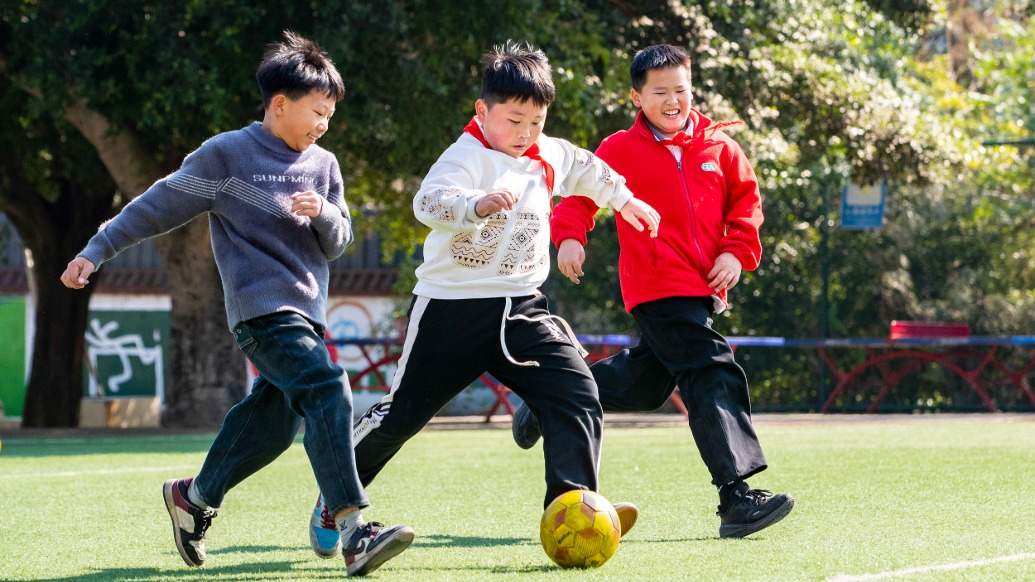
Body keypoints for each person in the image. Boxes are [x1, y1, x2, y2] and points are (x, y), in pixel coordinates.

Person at [60, 31, 414, 576]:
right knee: (327, 387)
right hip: (260, 312)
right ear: (279, 104)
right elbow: (156, 205)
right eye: (317, 112)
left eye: (330, 116)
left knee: (269, 428)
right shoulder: (227, 155)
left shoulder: (325, 166)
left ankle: (194, 498)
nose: (323, 124)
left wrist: (323, 210)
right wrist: (97, 248)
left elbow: (338, 239)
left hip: (307, 314)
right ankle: (352, 529)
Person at [307, 41, 661, 558]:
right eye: (514, 120)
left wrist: (627, 201)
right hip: (452, 310)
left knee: (577, 392)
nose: (526, 133)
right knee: (401, 415)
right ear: (482, 111)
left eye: (536, 122)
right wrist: (475, 204)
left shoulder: (549, 153)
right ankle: (334, 499)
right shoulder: (465, 156)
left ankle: (573, 507)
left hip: (521, 307)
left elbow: (589, 169)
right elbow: (428, 202)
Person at [511, 44, 795, 539]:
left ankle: (551, 395)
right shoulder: (619, 148)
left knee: (644, 385)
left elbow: (745, 208)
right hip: (657, 286)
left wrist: (735, 252)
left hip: (703, 290)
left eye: (680, 90)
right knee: (710, 369)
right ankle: (736, 497)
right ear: (636, 97)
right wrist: (572, 238)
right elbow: (581, 193)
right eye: (659, 92)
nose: (672, 100)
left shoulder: (721, 148)